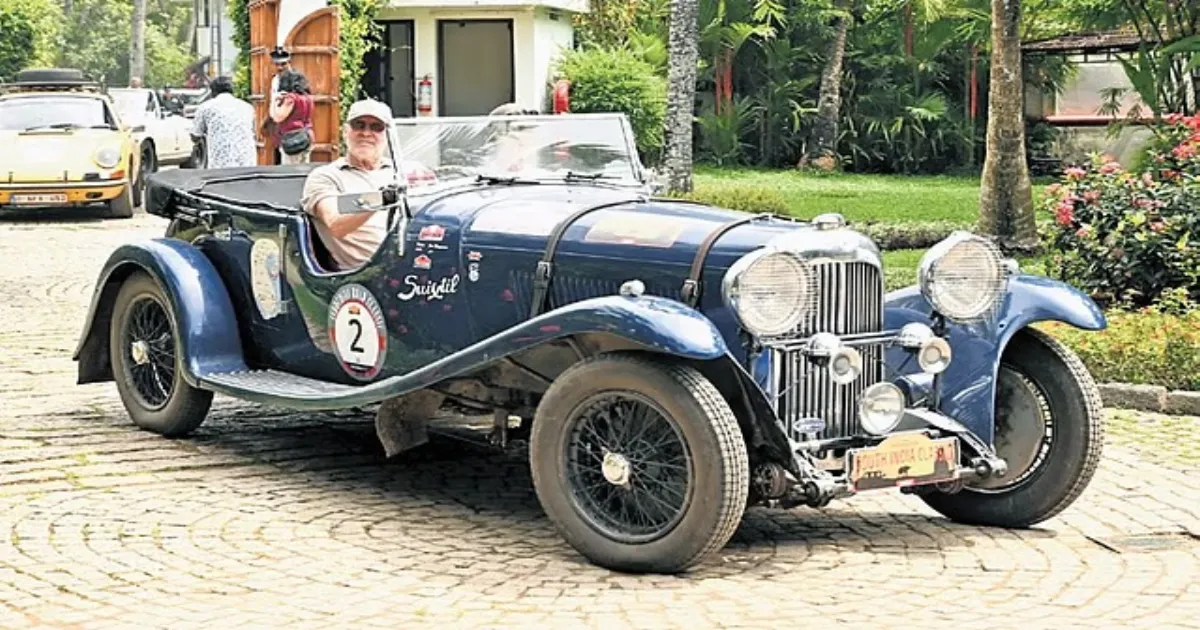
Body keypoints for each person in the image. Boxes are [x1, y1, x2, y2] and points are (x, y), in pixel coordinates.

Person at [300, 98, 398, 270]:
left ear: (387, 135)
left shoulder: (403, 171)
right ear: (346, 132)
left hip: (418, 259)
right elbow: (335, 223)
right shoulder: (326, 176)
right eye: (359, 125)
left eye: (376, 127)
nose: (366, 133)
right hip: (372, 274)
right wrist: (382, 199)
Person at [189, 75, 256, 169]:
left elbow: (195, 136)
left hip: (220, 166)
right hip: (247, 164)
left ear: (213, 92)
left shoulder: (205, 108)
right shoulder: (247, 107)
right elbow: (253, 132)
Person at [269, 70, 314, 164]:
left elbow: (277, 117)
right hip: (307, 136)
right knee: (304, 169)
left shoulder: (291, 98)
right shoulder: (307, 97)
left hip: (292, 139)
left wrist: (274, 101)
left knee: (290, 170)